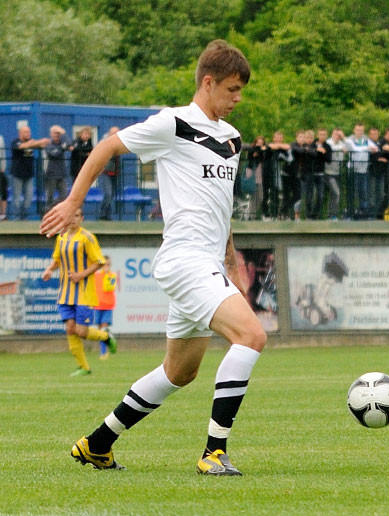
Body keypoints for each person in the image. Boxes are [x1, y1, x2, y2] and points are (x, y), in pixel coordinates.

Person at [41, 39, 265, 476]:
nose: (238, 99)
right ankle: (213, 453)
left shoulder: (232, 140)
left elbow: (220, 207)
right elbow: (106, 147)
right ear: (208, 82)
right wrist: (72, 202)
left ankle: (97, 444)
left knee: (179, 372)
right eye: (233, 89)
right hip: (184, 260)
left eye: (241, 91)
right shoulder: (174, 124)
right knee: (251, 336)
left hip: (208, 264)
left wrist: (232, 263)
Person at [41, 207, 117, 376]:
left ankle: (106, 337)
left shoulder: (87, 238)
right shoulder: (61, 237)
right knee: (70, 329)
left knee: (81, 332)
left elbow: (99, 261)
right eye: (71, 215)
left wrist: (80, 275)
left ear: (81, 218)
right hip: (65, 292)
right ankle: (84, 367)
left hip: (84, 292)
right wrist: (49, 270)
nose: (73, 219)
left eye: (76, 216)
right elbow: (57, 259)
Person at [11, 126, 49, 220]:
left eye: (29, 132)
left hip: (29, 174)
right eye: (26, 132)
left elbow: (42, 145)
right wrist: (37, 142)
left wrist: (37, 143)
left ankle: (24, 216)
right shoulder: (16, 142)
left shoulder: (32, 142)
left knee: (29, 197)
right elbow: (22, 146)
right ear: (20, 133)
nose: (28, 134)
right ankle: (16, 217)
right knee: (17, 197)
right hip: (17, 174)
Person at [345, 123, 377, 219]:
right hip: (353, 169)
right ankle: (350, 212)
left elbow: (375, 149)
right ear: (354, 130)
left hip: (363, 170)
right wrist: (365, 149)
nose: (360, 132)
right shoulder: (350, 139)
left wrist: (369, 149)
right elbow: (348, 149)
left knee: (363, 192)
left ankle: (363, 213)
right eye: (358, 130)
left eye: (361, 130)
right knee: (352, 192)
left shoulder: (366, 140)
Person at [94, 255, 118, 360]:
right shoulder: (96, 275)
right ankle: (106, 345)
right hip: (97, 305)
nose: (106, 266)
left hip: (107, 305)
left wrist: (106, 273)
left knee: (103, 328)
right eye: (104, 264)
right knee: (99, 330)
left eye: (108, 264)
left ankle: (104, 352)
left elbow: (108, 287)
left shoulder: (112, 276)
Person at [44, 126, 72, 212]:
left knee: (64, 197)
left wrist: (63, 134)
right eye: (55, 133)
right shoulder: (49, 144)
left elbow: (69, 143)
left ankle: (49, 209)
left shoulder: (62, 143)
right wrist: (63, 147)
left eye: (58, 133)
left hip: (62, 174)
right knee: (49, 196)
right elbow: (55, 153)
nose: (56, 135)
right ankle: (47, 212)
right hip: (51, 174)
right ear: (51, 134)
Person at [265, 131, 291, 219]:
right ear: (274, 138)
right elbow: (269, 146)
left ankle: (280, 213)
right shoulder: (270, 147)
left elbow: (289, 147)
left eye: (280, 137)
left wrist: (280, 146)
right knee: (270, 194)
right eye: (277, 137)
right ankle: (270, 214)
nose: (279, 139)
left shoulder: (283, 149)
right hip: (269, 174)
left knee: (282, 194)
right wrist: (278, 146)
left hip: (283, 175)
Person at [99, 127, 121, 220]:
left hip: (114, 172)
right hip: (105, 172)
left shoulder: (119, 142)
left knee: (111, 195)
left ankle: (108, 216)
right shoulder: (104, 143)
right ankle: (102, 214)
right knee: (107, 194)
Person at [325, 128, 346, 220]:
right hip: (328, 172)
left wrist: (344, 139)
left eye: (339, 135)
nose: (337, 136)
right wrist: (341, 148)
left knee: (334, 194)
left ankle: (331, 214)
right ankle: (332, 215)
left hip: (337, 172)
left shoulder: (342, 143)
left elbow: (349, 147)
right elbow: (330, 149)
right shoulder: (328, 142)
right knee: (336, 193)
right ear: (332, 134)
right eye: (335, 134)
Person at [0, 133, 7, 221]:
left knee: (3, 192)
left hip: (0, 171)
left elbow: (2, 153)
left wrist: (3, 167)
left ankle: (3, 214)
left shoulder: (0, 138)